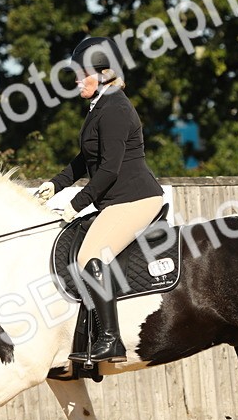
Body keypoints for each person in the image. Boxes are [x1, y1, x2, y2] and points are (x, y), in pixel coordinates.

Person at [36, 37, 165, 364]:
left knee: (89, 257)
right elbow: (85, 159)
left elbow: (108, 169)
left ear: (104, 74)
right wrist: (55, 184)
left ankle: (111, 340)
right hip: (119, 200)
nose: (77, 80)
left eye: (82, 73)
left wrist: (76, 204)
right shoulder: (101, 107)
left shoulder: (116, 109)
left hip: (135, 199)